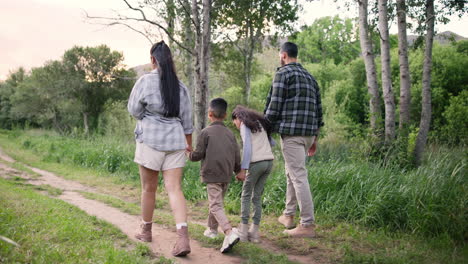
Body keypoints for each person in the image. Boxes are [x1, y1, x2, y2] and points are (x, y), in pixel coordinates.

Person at [127, 40, 193, 256]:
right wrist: (188, 143)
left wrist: (147, 116)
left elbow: (134, 110)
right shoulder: (181, 87)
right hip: (175, 140)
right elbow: (187, 120)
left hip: (151, 139)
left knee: (149, 188)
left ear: (153, 60)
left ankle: (146, 231)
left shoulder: (145, 81)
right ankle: (182, 238)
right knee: (174, 189)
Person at [264, 42, 324, 238]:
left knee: (298, 175)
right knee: (292, 172)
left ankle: (307, 224)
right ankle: (288, 215)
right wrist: (315, 138)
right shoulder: (310, 77)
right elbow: (319, 110)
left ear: (283, 55)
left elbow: (274, 105)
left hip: (293, 134)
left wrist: (265, 128)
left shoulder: (283, 74)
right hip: (308, 134)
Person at [188, 98, 241, 253]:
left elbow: (198, 154)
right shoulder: (231, 134)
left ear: (209, 114)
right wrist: (238, 171)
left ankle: (229, 232)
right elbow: (237, 154)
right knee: (216, 203)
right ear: (225, 116)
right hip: (226, 174)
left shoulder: (205, 132)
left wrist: (189, 154)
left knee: (215, 204)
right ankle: (211, 230)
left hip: (212, 173)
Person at [231, 105, 274, 243]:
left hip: (256, 163)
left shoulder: (245, 125)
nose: (236, 125)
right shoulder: (260, 123)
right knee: (257, 197)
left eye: (235, 121)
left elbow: (248, 148)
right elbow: (272, 142)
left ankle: (243, 232)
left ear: (238, 117)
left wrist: (243, 168)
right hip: (268, 162)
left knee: (246, 195)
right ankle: (254, 233)